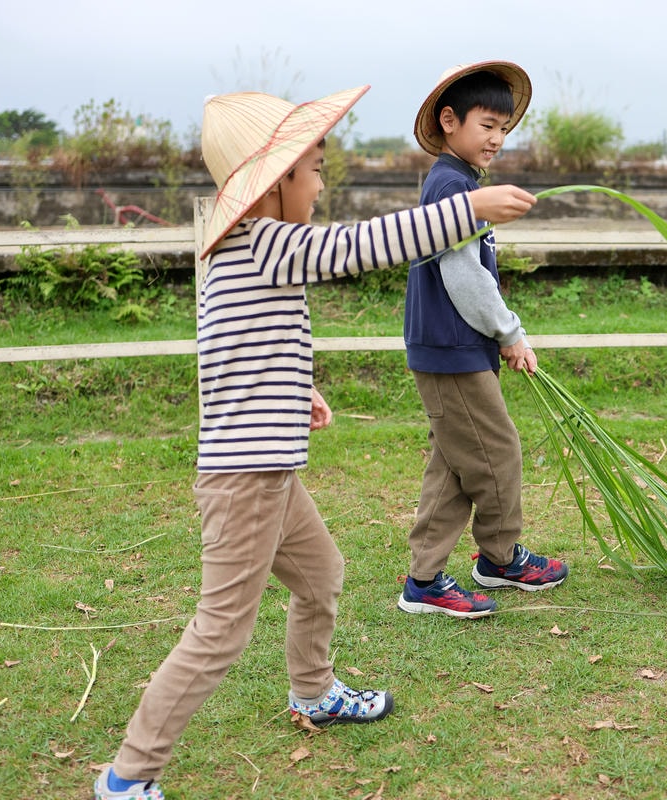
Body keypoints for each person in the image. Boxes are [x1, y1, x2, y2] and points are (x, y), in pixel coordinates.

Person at [93, 87, 537, 800]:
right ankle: (127, 776)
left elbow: (231, 350)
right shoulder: (265, 241)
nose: (323, 184)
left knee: (322, 574)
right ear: (278, 183)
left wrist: (298, 390)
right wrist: (467, 210)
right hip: (245, 480)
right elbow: (356, 248)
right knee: (220, 632)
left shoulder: (242, 252)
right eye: (316, 170)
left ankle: (314, 693)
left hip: (267, 470)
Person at [398, 62, 568, 620]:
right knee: (497, 454)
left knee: (454, 463)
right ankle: (499, 557)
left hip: (455, 347)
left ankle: (424, 578)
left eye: (505, 129)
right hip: (452, 349)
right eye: (487, 125)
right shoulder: (452, 186)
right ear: (450, 121)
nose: (497, 139)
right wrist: (510, 333)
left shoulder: (461, 183)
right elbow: (466, 276)